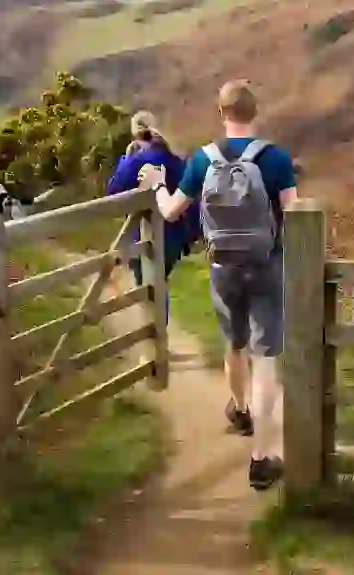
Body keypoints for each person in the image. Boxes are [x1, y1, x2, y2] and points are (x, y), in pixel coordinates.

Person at [137, 80, 298, 491]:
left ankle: (240, 409)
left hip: (222, 267)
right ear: (255, 113)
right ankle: (262, 458)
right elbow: (294, 216)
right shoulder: (275, 159)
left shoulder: (201, 161)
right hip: (266, 265)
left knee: (234, 343)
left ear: (221, 113)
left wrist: (156, 184)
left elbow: (171, 212)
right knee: (266, 359)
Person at [106, 111, 198, 299]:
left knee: (150, 291)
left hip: (145, 237)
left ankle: (156, 328)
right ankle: (158, 326)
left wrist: (125, 158)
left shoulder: (137, 160)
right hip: (174, 236)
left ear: (135, 135)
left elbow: (113, 190)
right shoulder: (175, 158)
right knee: (159, 284)